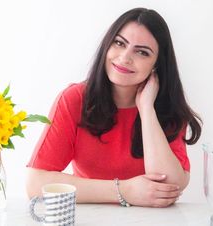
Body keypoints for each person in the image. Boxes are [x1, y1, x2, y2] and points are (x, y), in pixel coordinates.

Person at [26, 7, 202, 208]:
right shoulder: (74, 99)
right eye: (119, 43)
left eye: (142, 52)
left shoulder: (167, 108)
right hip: (90, 217)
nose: (125, 57)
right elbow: (35, 183)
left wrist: (146, 110)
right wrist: (124, 190)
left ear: (156, 65)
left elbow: (169, 187)